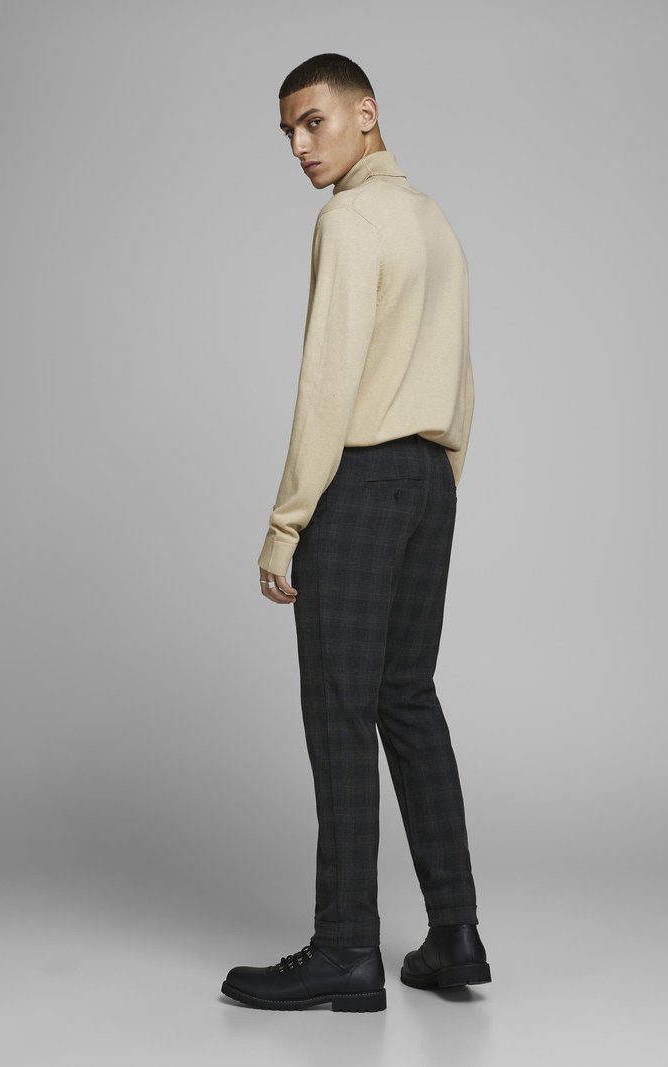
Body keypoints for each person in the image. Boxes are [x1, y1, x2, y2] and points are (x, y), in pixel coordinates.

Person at [221, 53, 491, 1013]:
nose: (300, 146)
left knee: (341, 710)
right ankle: (455, 934)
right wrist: (438, 480)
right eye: (288, 132)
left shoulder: (349, 220)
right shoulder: (434, 220)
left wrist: (286, 523)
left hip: (364, 480)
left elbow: (326, 384)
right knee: (407, 700)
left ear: (365, 112)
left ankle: (345, 946)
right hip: (429, 483)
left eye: (314, 121)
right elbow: (461, 377)